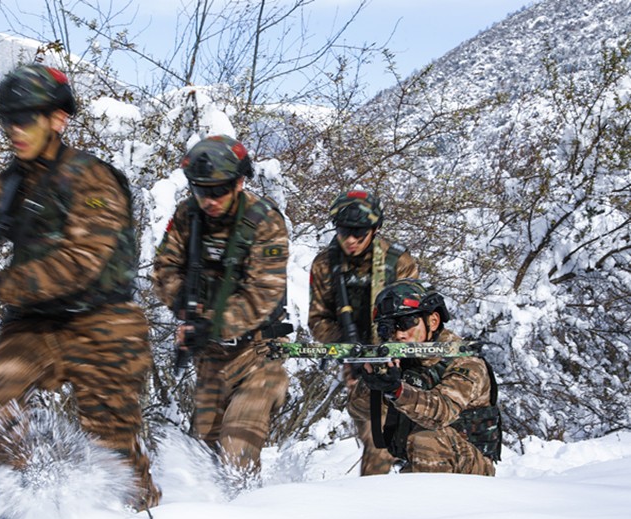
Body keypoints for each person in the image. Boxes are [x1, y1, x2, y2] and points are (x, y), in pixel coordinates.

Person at [0, 63, 160, 510]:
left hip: (104, 323)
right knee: (1, 396)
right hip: (35, 324)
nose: (14, 130)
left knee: (111, 444)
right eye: (7, 121)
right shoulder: (8, 184)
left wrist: (0, 284)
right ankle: (18, 506)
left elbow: (81, 263)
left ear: (58, 119)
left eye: (26, 119)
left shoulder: (92, 179)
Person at [152, 135, 291, 474]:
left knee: (237, 451)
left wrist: (211, 324)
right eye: (201, 190)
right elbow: (163, 270)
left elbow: (263, 295)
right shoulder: (188, 216)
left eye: (218, 190)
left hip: (259, 354)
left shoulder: (264, 221)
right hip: (211, 359)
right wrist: (186, 306)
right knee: (205, 458)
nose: (209, 200)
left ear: (239, 183)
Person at [307, 190, 419, 475]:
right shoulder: (324, 264)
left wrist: (389, 349)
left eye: (359, 233)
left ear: (375, 229)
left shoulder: (398, 262)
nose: (351, 240)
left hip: (402, 359)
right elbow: (318, 321)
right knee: (376, 436)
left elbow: (413, 317)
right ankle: (370, 507)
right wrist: (350, 346)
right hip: (357, 364)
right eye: (345, 232)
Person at [348, 279, 501, 475]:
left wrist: (397, 391)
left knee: (428, 440)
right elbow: (357, 410)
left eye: (405, 323)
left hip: (470, 467)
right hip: (423, 462)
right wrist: (373, 383)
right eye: (389, 328)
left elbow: (441, 413)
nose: (399, 334)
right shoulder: (401, 360)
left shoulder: (466, 362)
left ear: (433, 321)